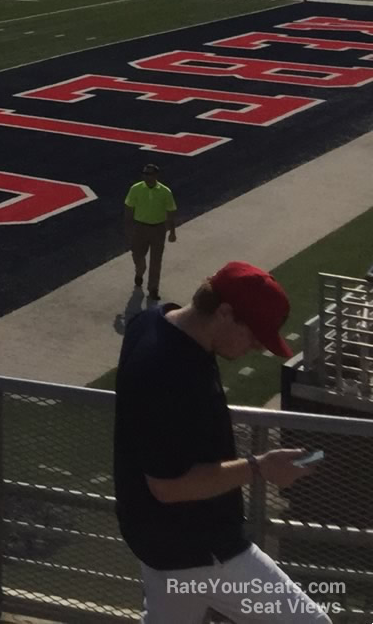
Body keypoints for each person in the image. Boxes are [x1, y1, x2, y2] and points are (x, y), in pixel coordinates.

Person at [114, 264, 327, 624]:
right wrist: (261, 467)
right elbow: (168, 486)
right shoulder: (167, 369)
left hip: (166, 546)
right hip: (198, 550)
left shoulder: (154, 321)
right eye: (255, 334)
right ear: (225, 312)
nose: (258, 345)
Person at [125, 163, 180, 299]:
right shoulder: (136, 189)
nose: (146, 176)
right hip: (140, 227)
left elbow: (170, 212)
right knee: (138, 255)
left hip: (158, 229)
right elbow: (129, 208)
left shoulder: (165, 192)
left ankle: (153, 289)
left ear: (156, 176)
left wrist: (172, 232)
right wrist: (129, 228)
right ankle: (140, 271)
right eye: (145, 174)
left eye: (149, 174)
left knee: (156, 260)